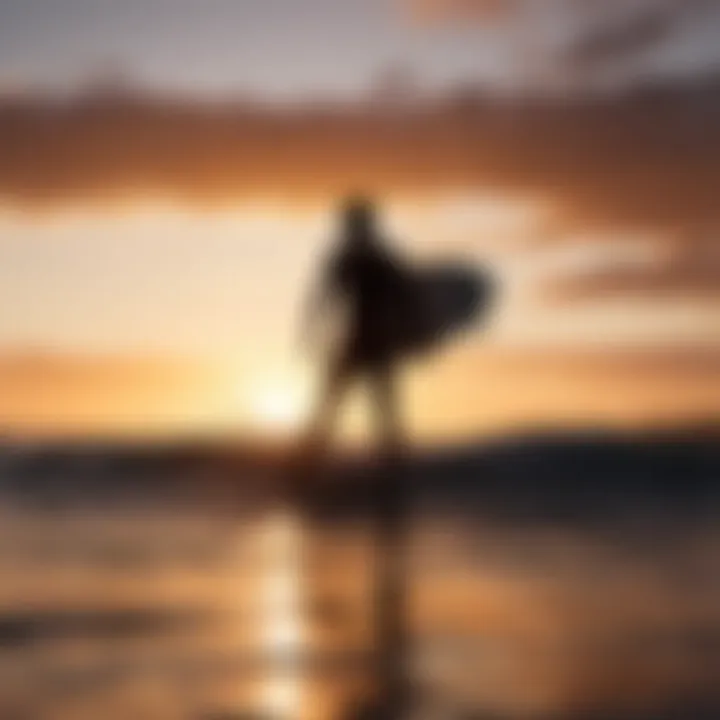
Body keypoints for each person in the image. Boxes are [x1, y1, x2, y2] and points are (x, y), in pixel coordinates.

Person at [301, 197, 411, 456]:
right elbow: (323, 298)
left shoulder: (370, 260)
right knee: (345, 406)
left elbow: (322, 298)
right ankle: (306, 466)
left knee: (373, 410)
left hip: (366, 342)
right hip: (367, 342)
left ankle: (306, 467)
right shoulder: (372, 259)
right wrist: (312, 330)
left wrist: (310, 331)